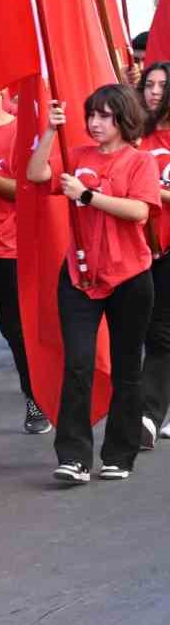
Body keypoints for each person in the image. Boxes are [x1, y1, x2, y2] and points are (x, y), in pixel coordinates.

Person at [27, 85, 158, 483]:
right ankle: (74, 456)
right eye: (91, 116)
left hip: (130, 277)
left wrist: (87, 196)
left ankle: (120, 453)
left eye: (104, 116)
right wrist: (50, 130)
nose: (95, 123)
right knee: (79, 363)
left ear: (123, 119)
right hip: (79, 277)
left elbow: (138, 210)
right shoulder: (76, 154)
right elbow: (35, 174)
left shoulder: (139, 162)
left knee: (125, 369)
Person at [0, 89, 48, 436]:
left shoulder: (18, 130)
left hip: (8, 246)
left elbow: (26, 189)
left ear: (3, 90)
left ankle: (36, 399)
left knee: (15, 329)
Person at [138, 62, 170, 445]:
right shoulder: (135, 139)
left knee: (161, 331)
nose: (154, 91)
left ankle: (147, 414)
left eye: (163, 85)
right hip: (139, 248)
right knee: (148, 329)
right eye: (148, 84)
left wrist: (147, 188)